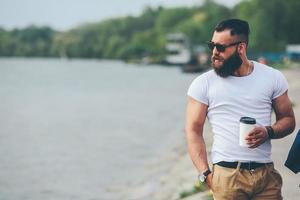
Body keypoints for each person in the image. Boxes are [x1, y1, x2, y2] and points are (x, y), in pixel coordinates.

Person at [185, 19, 295, 200]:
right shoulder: (203, 84)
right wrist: (205, 174)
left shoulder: (272, 77)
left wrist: (268, 132)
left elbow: (288, 120)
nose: (214, 53)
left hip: (266, 176)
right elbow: (193, 132)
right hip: (227, 177)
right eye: (211, 46)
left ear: (241, 48)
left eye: (220, 47)